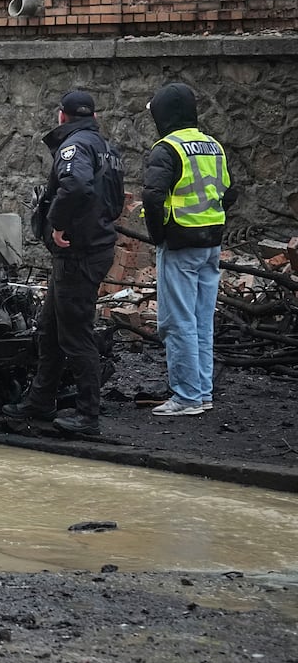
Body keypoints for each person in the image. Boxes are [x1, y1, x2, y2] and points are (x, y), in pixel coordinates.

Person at [4, 90, 125, 436]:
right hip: (90, 249)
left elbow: (76, 187)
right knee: (50, 330)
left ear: (62, 116)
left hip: (78, 253)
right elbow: (114, 202)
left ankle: (87, 416)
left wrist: (57, 223)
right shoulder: (107, 148)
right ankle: (40, 401)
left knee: (75, 335)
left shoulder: (75, 147)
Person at [140, 82, 236, 418]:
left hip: (179, 245)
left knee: (177, 322)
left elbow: (152, 197)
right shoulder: (213, 146)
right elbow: (229, 193)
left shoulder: (166, 149)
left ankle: (186, 397)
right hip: (211, 244)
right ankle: (202, 392)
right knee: (201, 321)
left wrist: (158, 236)